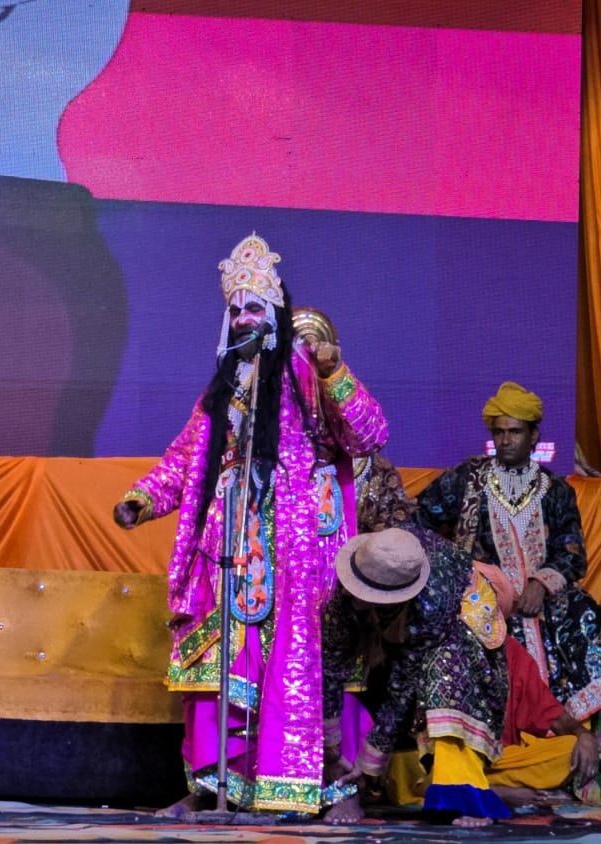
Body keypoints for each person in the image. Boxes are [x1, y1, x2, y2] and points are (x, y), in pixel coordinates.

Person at [112, 234, 388, 815]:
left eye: (254, 307)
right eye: (234, 309)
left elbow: (370, 434)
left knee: (310, 664)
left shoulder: (308, 372)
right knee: (222, 664)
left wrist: (335, 371)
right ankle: (215, 786)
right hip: (233, 546)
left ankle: (335, 790)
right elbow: (185, 458)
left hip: (302, 546)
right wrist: (142, 499)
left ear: (277, 311)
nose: (242, 318)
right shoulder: (225, 386)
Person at [321, 528, 601, 827]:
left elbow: (401, 690)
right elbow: (332, 671)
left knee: (449, 683)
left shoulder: (440, 619)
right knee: (400, 760)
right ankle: (470, 790)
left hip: (477, 743)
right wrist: (332, 753)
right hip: (414, 750)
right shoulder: (351, 586)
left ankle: (471, 791)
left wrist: (583, 735)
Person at [415, 381, 601, 744]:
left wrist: (540, 583)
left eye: (515, 432)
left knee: (590, 617)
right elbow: (419, 519)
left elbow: (572, 553)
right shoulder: (467, 480)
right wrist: (455, 570)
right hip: (485, 601)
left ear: (533, 437)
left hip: (544, 602)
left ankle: (575, 738)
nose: (505, 440)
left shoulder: (557, 491)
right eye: (499, 432)